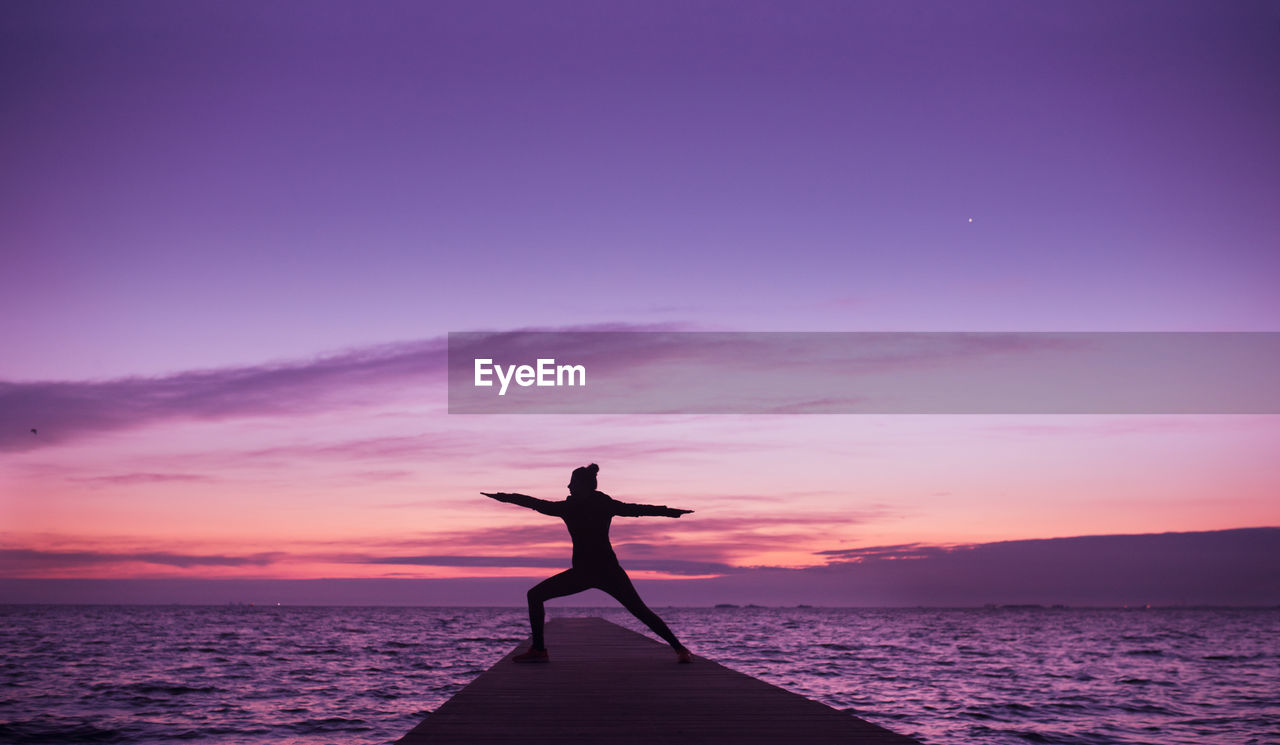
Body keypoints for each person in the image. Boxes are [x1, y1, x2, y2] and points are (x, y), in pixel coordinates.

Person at [483, 463, 694, 664]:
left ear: (582, 486)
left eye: (572, 483)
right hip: (600, 571)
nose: (568, 486)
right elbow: (637, 509)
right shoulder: (598, 504)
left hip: (594, 572)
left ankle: (539, 650)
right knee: (639, 610)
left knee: (535, 596)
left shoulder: (572, 507)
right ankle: (680, 649)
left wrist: (502, 497)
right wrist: (671, 512)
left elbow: (534, 503)